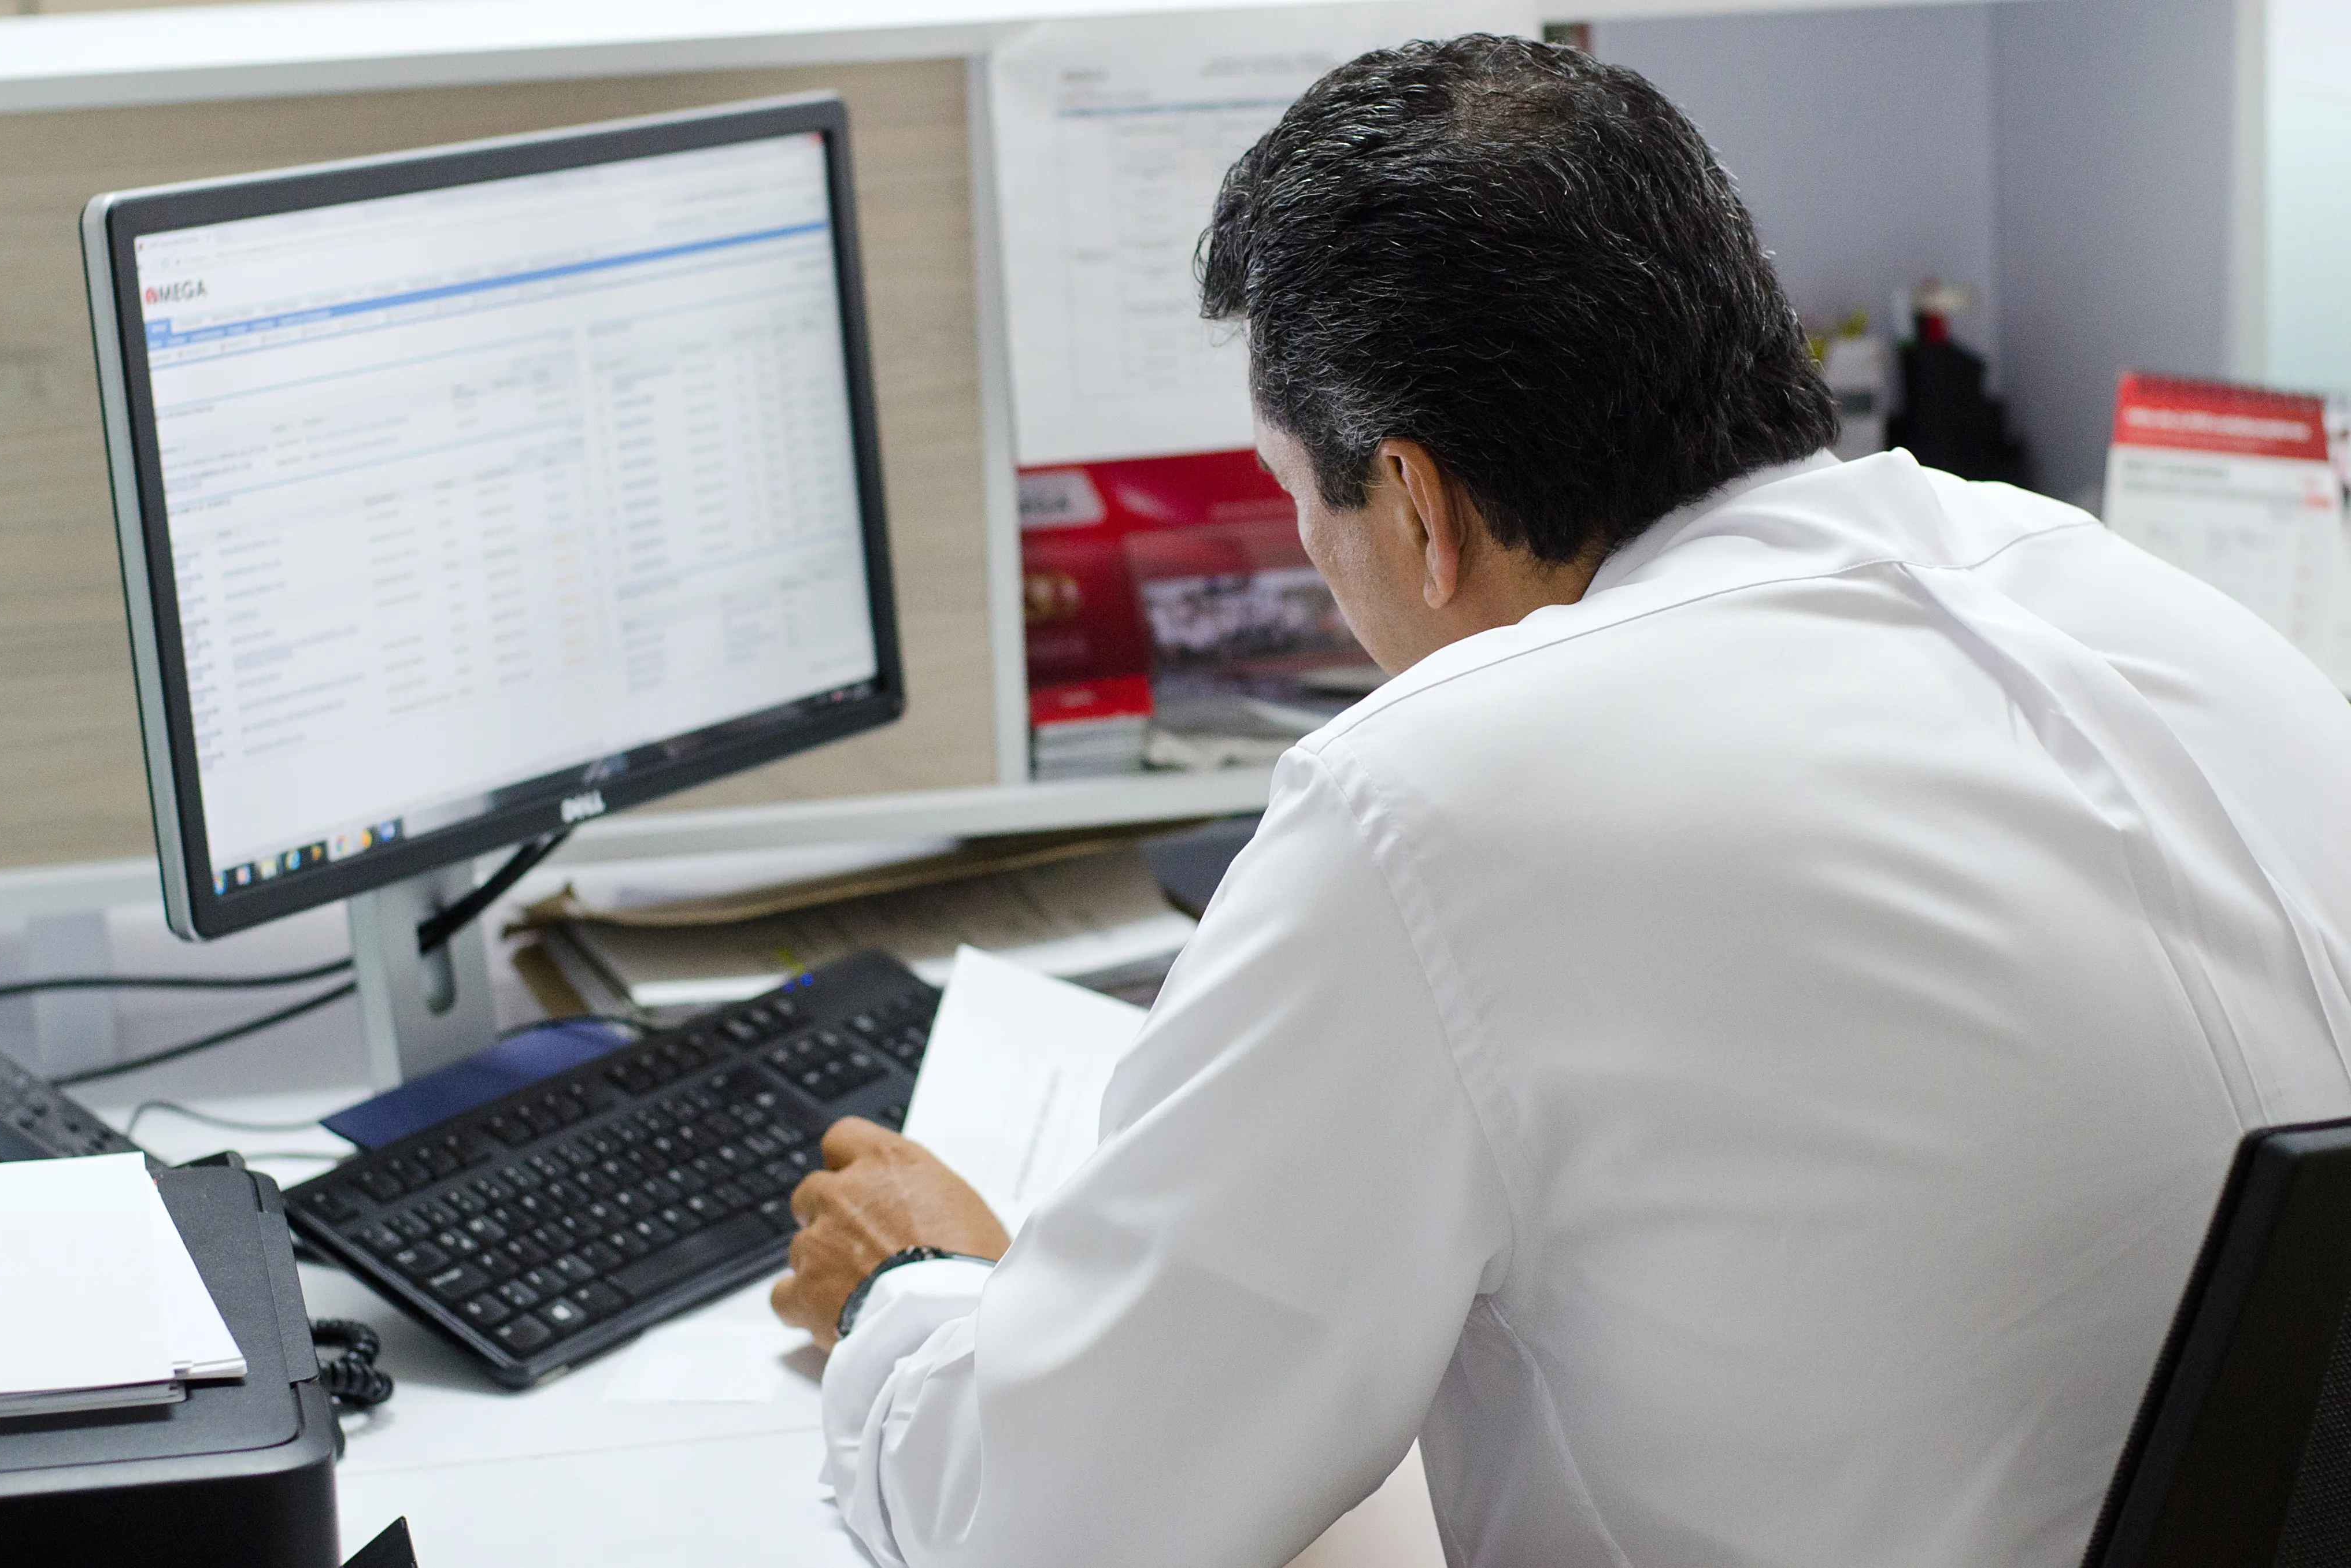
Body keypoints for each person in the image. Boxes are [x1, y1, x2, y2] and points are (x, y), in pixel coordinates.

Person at [771, 34, 2351, 1568]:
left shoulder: (1437, 799)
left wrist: (917, 1291)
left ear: (1415, 504)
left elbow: (1061, 1525)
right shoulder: (2106, 583)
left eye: (1293, 499)